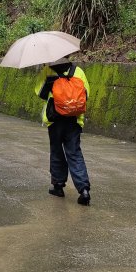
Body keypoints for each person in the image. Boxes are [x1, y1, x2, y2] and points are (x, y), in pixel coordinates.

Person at [36, 60, 91, 205]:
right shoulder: (78, 71)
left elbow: (40, 93)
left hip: (54, 119)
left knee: (56, 151)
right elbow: (86, 95)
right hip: (74, 119)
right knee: (74, 152)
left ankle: (58, 186)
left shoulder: (48, 71)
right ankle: (84, 189)